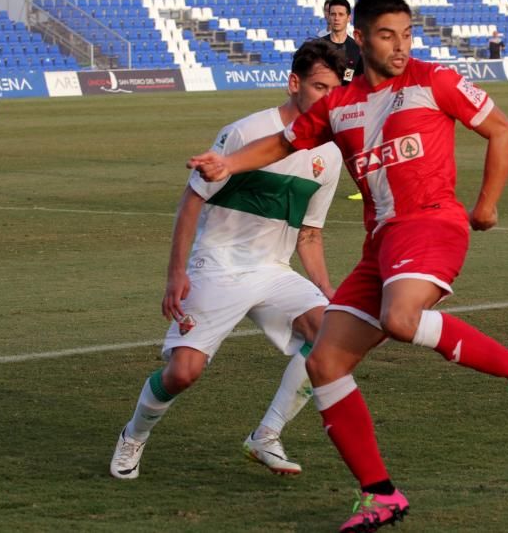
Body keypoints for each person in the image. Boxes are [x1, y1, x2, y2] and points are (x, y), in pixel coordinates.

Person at [188, 0, 508, 532]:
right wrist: (228, 163)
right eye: (388, 35)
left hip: (432, 223)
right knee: (324, 363)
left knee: (401, 317)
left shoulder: (437, 82)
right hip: (380, 242)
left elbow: (503, 130)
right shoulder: (339, 105)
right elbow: (283, 142)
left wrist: (487, 203)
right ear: (360, 39)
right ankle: (380, 494)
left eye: (408, 35)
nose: (401, 46)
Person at [110, 39, 347, 480]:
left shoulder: (331, 153)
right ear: (294, 83)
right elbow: (192, 200)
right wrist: (176, 273)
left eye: (336, 90)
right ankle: (134, 436)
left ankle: (266, 435)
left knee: (333, 335)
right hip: (217, 266)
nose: (328, 100)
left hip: (273, 271)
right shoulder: (245, 132)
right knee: (183, 373)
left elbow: (310, 234)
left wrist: (327, 291)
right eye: (319, 87)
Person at [320, 0, 363, 85]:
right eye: (333, 14)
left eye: (341, 14)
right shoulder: (318, 46)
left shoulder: (357, 48)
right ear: (329, 17)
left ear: (348, 18)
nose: (336, 18)